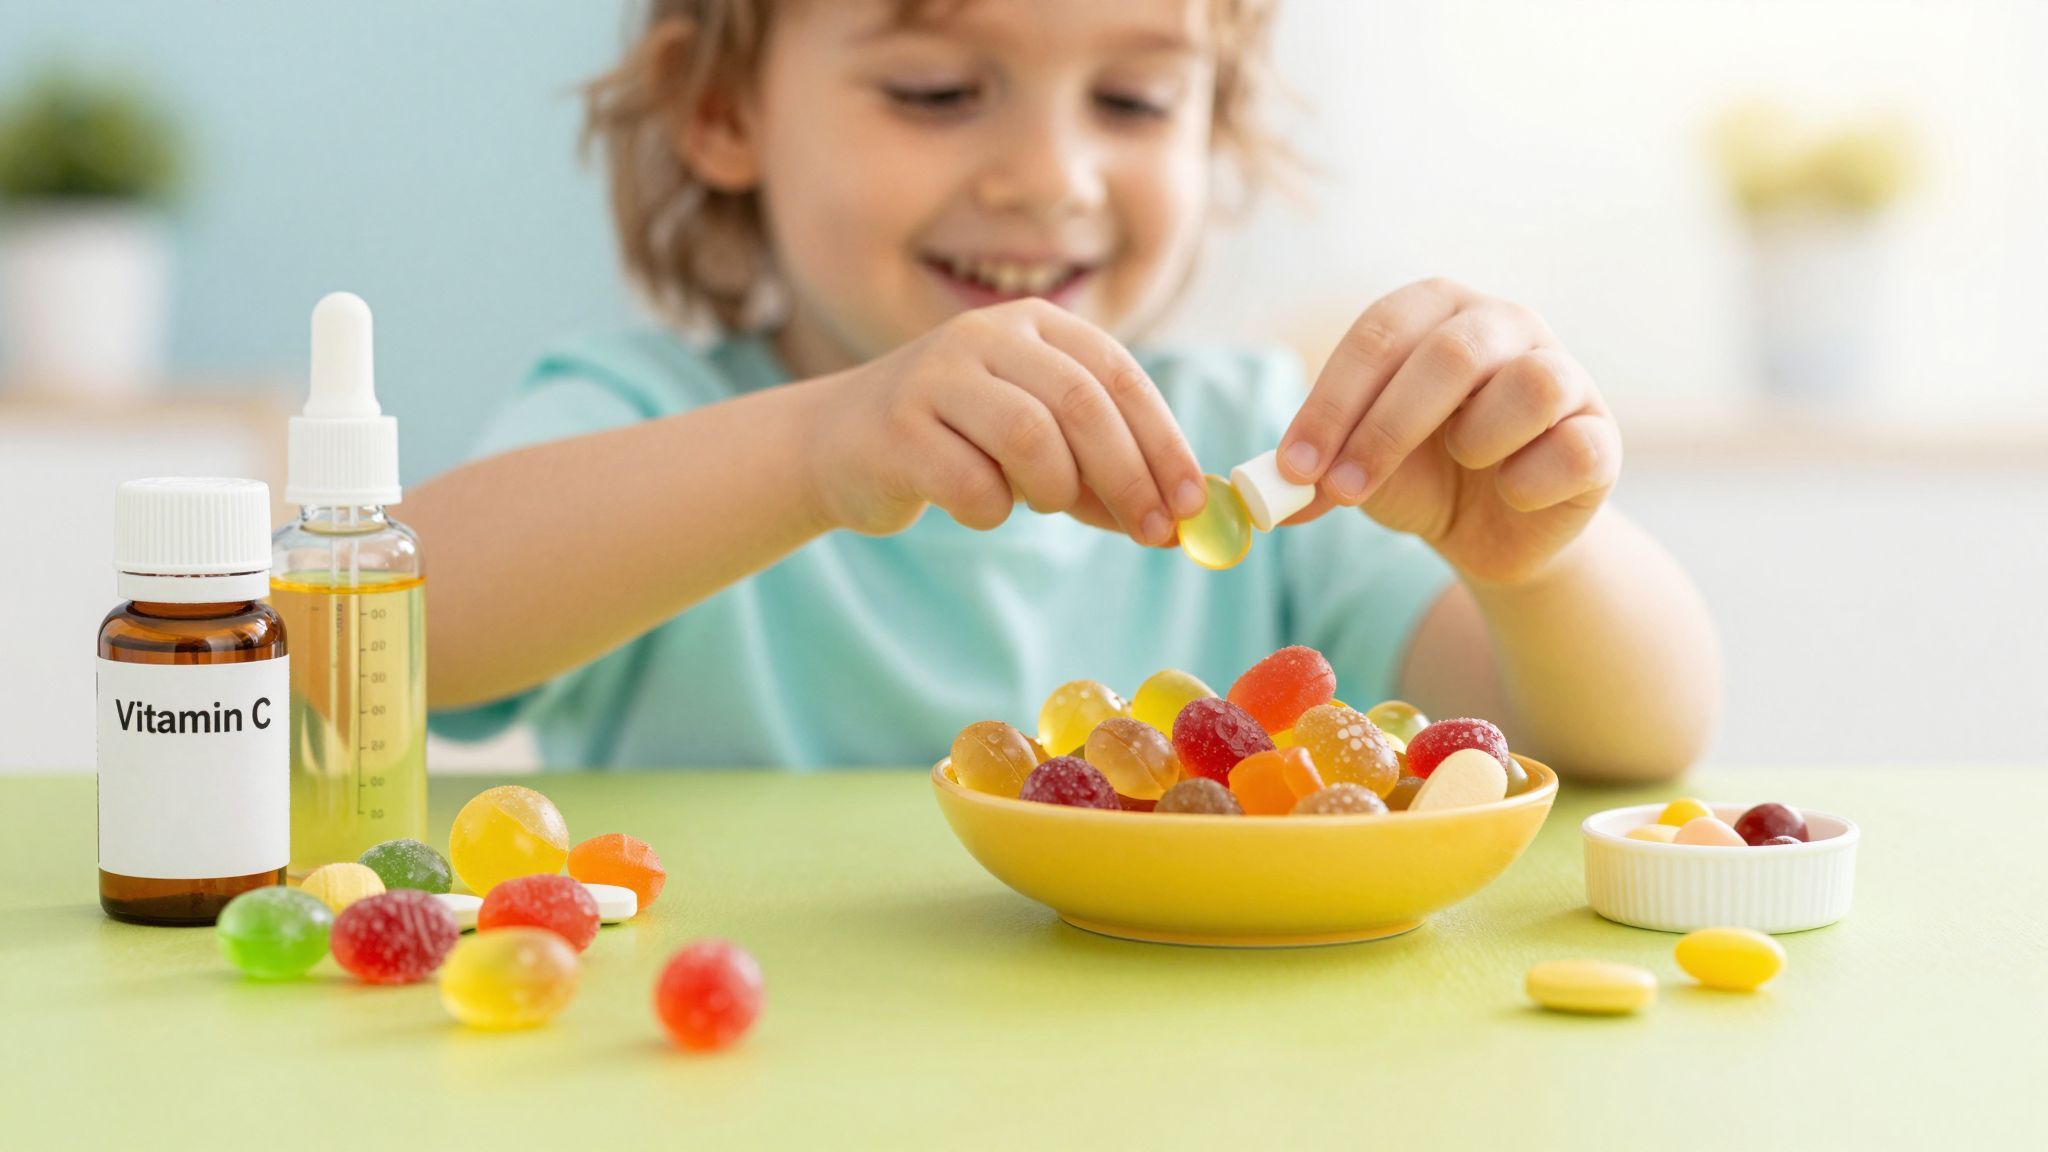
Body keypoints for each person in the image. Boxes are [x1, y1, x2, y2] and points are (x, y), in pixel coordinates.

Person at [410, 0, 1719, 778]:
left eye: (1138, 100)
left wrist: (1540, 560)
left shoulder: (1261, 441)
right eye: (937, 91)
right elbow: (384, 643)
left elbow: (1635, 739)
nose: (1051, 176)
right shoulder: (653, 420)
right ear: (721, 111)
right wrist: (815, 451)